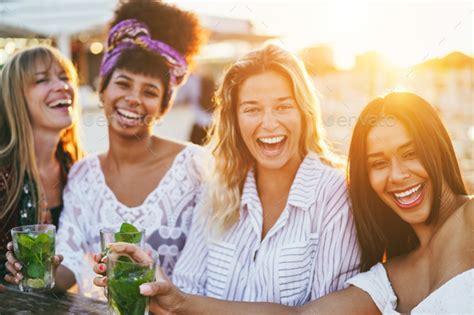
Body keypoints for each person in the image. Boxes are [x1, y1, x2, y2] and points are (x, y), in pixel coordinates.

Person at [114, 92, 472, 314]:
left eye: (411, 154)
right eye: (378, 163)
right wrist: (179, 301)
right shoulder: (391, 274)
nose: (396, 175)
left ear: (437, 148)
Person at [96, 44, 361, 308]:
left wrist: (183, 303)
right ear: (234, 120)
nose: (269, 123)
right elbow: (186, 293)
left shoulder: (335, 193)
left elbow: (327, 311)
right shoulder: (218, 189)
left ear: (304, 113)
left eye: (283, 107)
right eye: (252, 109)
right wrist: (151, 283)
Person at [4, 0, 206, 299]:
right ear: (102, 90)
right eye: (123, 83)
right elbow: (69, 264)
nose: (134, 99)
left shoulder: (196, 166)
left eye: (150, 91)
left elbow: (206, 275)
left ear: (163, 107)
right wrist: (32, 273)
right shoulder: (83, 173)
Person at [1, 45, 83, 283]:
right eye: (41, 80)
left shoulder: (78, 169)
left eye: (64, 77)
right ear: (16, 98)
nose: (62, 86)